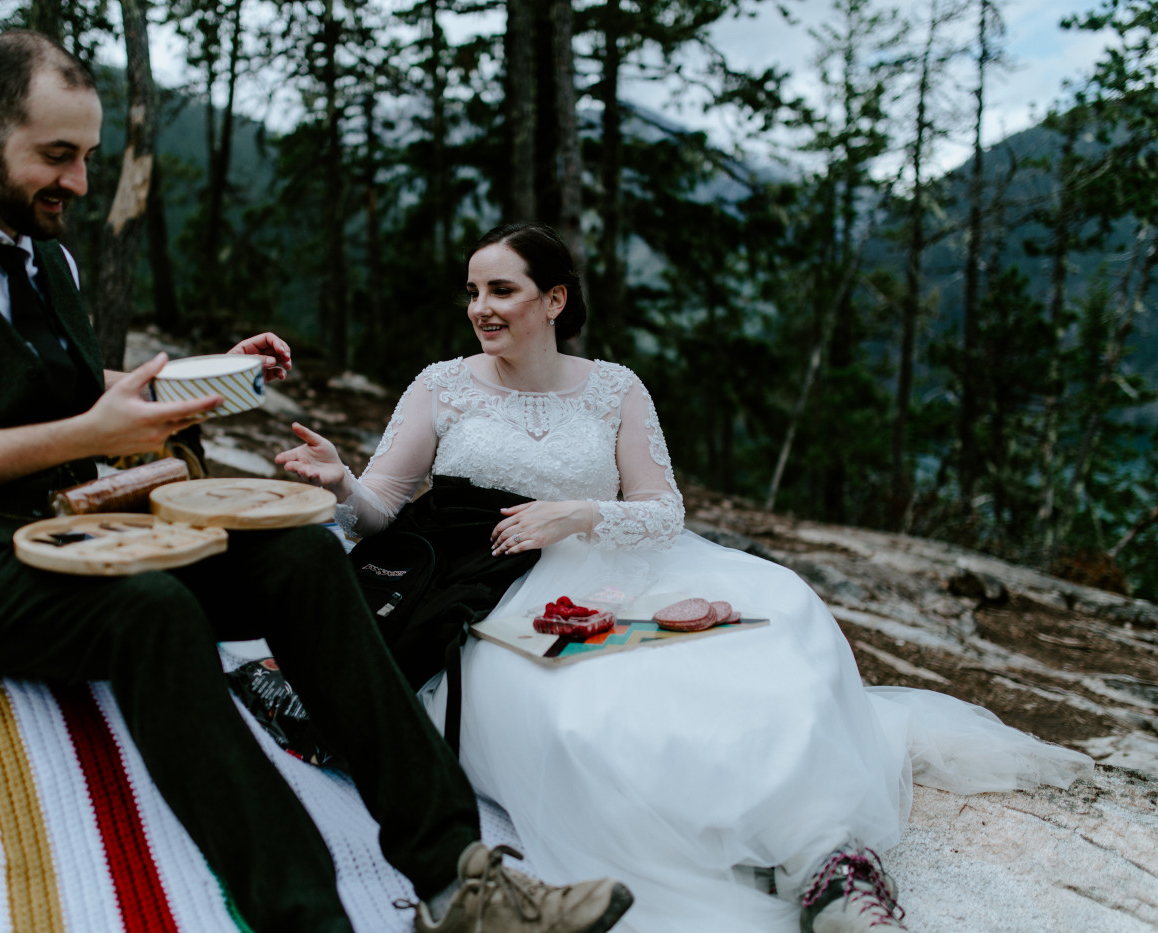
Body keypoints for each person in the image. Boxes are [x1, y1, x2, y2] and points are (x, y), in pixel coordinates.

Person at [0, 35, 635, 933]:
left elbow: (76, 406)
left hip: (80, 531)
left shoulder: (49, 258)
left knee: (305, 556)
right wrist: (86, 433)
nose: (79, 181)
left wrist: (198, 384)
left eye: (87, 156)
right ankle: (308, 916)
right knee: (152, 611)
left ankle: (461, 878)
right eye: (57, 155)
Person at [276, 221, 1094, 933]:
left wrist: (579, 513)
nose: (481, 307)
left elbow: (664, 509)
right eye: (472, 291)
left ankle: (832, 866)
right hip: (490, 584)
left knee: (774, 626)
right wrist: (342, 481)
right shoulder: (442, 384)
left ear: (554, 300)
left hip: (619, 559)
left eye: (502, 289)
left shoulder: (616, 388)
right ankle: (762, 852)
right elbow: (381, 512)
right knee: (598, 709)